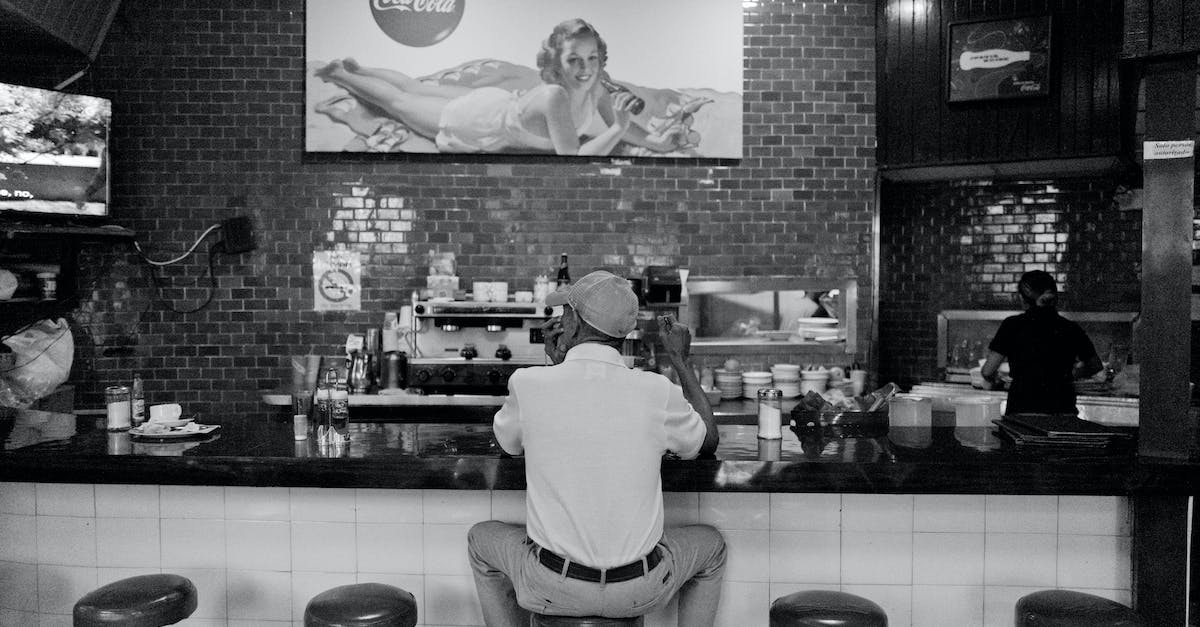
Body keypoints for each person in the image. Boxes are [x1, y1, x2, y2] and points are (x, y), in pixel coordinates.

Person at [467, 270, 726, 626]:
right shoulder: (655, 390)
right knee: (711, 546)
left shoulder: (529, 384)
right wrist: (680, 360)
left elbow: (510, 445)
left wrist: (554, 366)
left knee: (481, 540)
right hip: (637, 589)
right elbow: (706, 440)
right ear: (624, 333)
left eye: (565, 312)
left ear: (571, 322)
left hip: (552, 586)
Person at [315, 19, 686, 155]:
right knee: (401, 99)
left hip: (499, 103)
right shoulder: (556, 95)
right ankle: (342, 76)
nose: (585, 68)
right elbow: (571, 153)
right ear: (557, 61)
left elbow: (623, 123)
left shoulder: (596, 88)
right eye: (575, 60)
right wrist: (619, 128)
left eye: (592, 59)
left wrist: (653, 141)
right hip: (476, 122)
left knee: (415, 87)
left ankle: (360, 68)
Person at [980, 270, 1103, 415]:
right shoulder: (1071, 328)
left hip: (1022, 411)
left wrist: (995, 381)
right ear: (1055, 297)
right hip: (1062, 411)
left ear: (1022, 299)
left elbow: (988, 371)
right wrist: (1070, 374)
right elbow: (1095, 366)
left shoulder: (1012, 325)